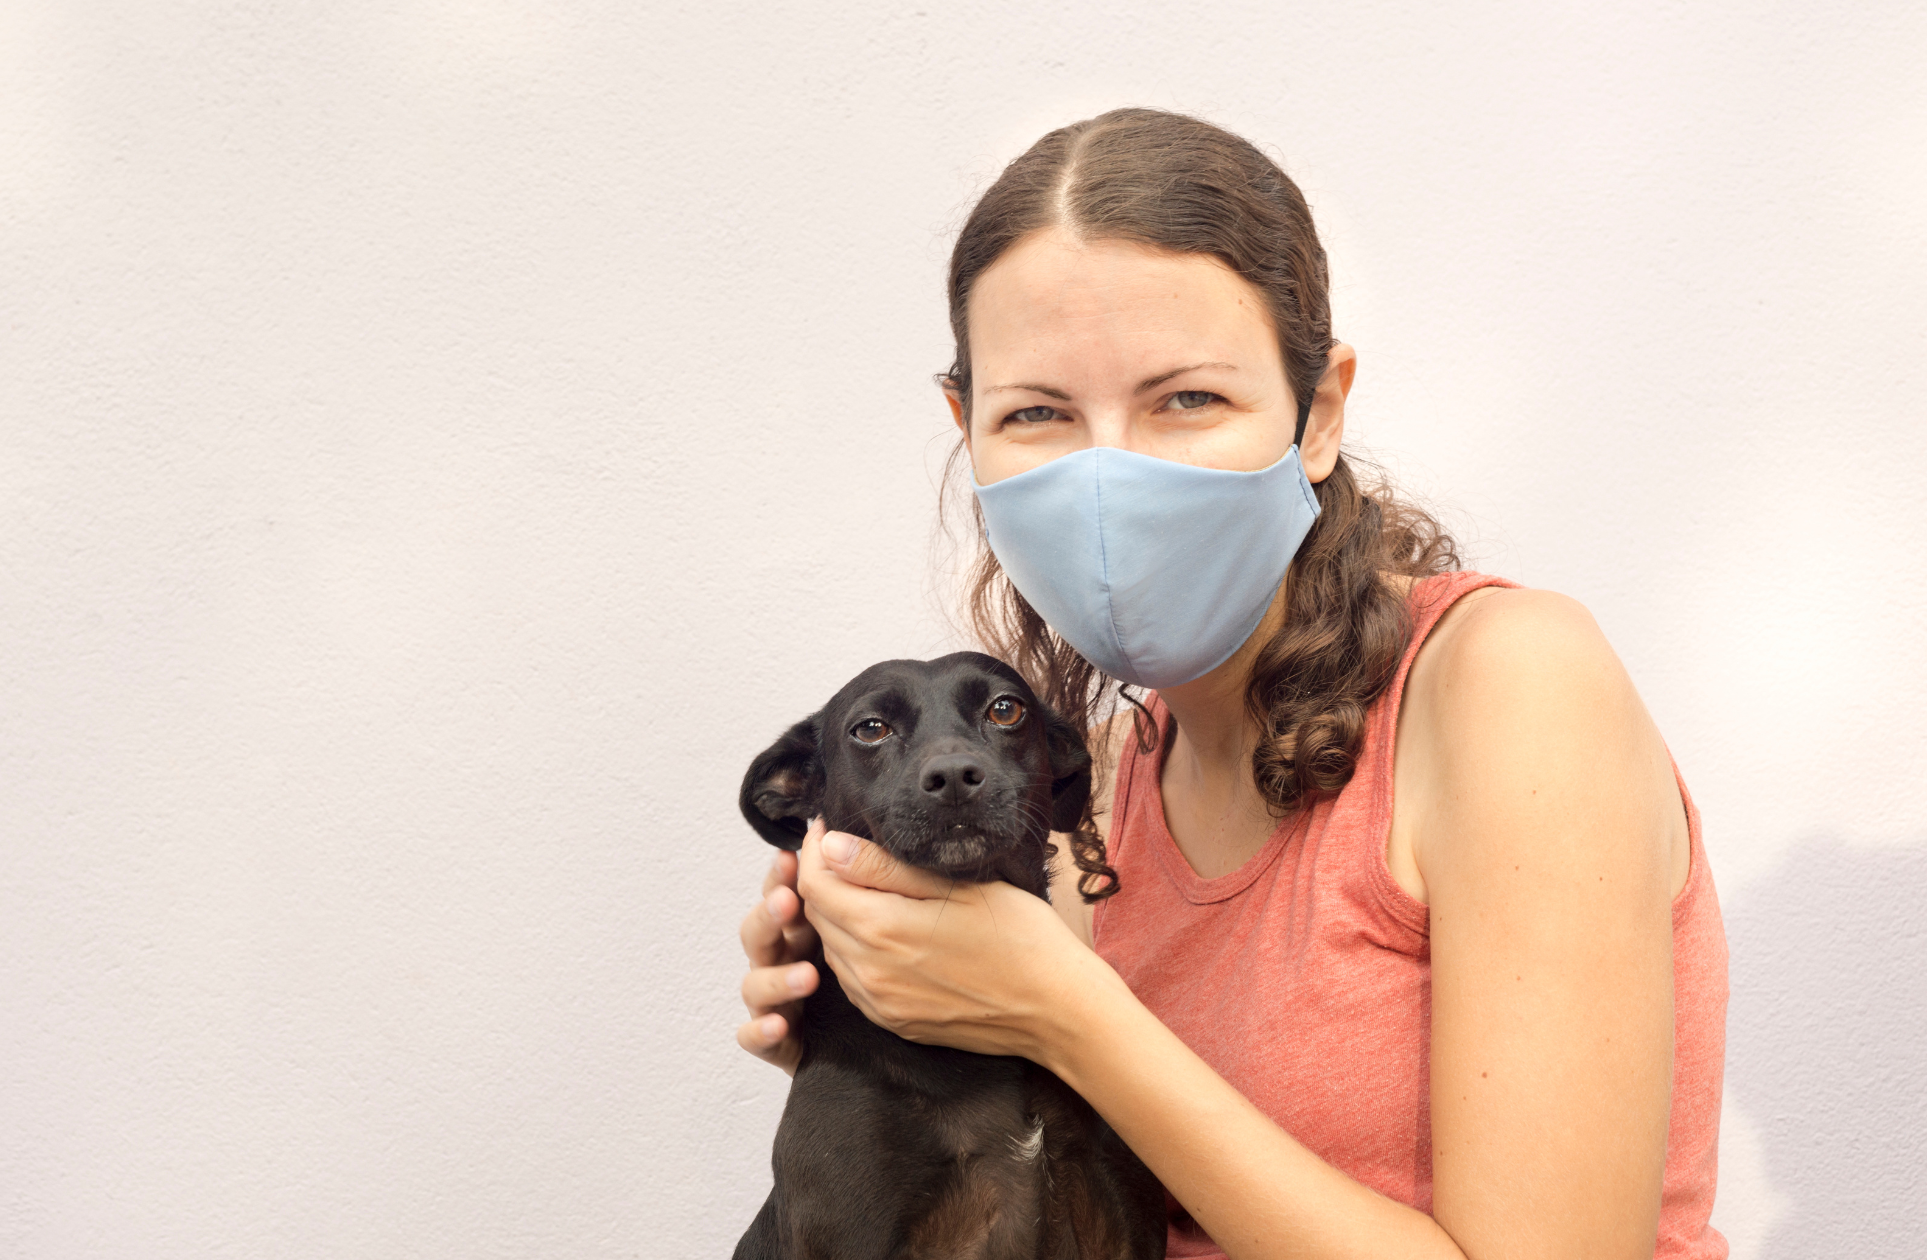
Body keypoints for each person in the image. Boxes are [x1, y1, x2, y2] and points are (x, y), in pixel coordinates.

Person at [733, 109, 1727, 1260]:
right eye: (1037, 414)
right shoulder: (1094, 785)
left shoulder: (1508, 684)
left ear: (1318, 413)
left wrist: (1061, 1013)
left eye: (1186, 399)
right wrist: (892, 1029)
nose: (1106, 473)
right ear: (967, 430)